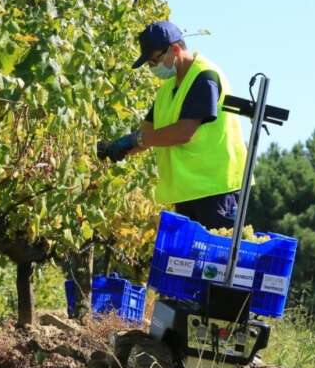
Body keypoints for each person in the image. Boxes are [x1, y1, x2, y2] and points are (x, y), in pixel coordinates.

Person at [99, 20, 247, 230]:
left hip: (216, 189)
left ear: (175, 49)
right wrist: (117, 147)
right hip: (189, 191)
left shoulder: (204, 76)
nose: (152, 68)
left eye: (154, 61)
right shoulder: (166, 91)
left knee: (217, 259)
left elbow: (184, 132)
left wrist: (138, 139)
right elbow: (147, 135)